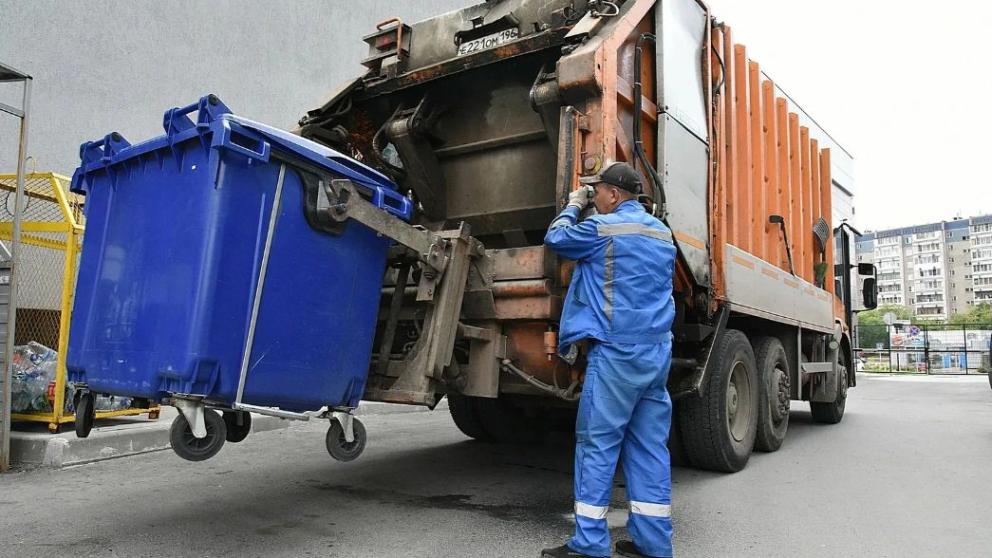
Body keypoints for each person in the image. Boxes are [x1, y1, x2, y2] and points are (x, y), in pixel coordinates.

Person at [540, 162, 677, 558]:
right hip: (655, 353)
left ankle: (588, 544)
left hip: (617, 353)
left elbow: (557, 238)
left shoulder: (604, 229)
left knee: (598, 444)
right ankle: (653, 544)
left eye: (596, 190)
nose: (594, 196)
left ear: (614, 195)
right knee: (649, 446)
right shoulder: (662, 233)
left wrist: (573, 204)